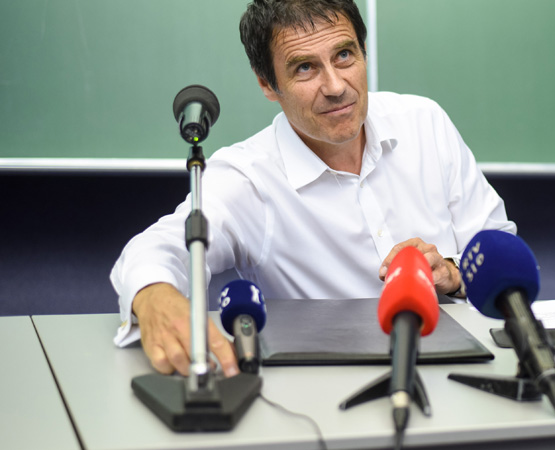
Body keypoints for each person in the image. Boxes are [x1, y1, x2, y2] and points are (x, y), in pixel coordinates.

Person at [110, 0, 516, 378]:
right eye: (305, 67)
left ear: (363, 52)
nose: (336, 86)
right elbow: (156, 248)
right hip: (324, 389)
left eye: (344, 55)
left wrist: (453, 273)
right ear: (268, 84)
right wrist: (153, 294)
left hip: (463, 370)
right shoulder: (249, 177)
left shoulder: (424, 122)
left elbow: (499, 249)